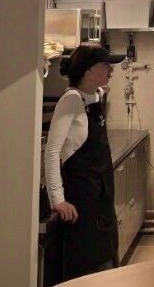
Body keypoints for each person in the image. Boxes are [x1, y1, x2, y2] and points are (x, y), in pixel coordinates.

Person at [43, 43, 126, 285]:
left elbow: (99, 91)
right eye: (106, 65)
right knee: (88, 271)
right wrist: (57, 199)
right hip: (83, 204)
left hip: (102, 201)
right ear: (89, 70)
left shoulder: (95, 96)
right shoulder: (71, 100)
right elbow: (52, 152)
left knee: (107, 266)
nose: (111, 70)